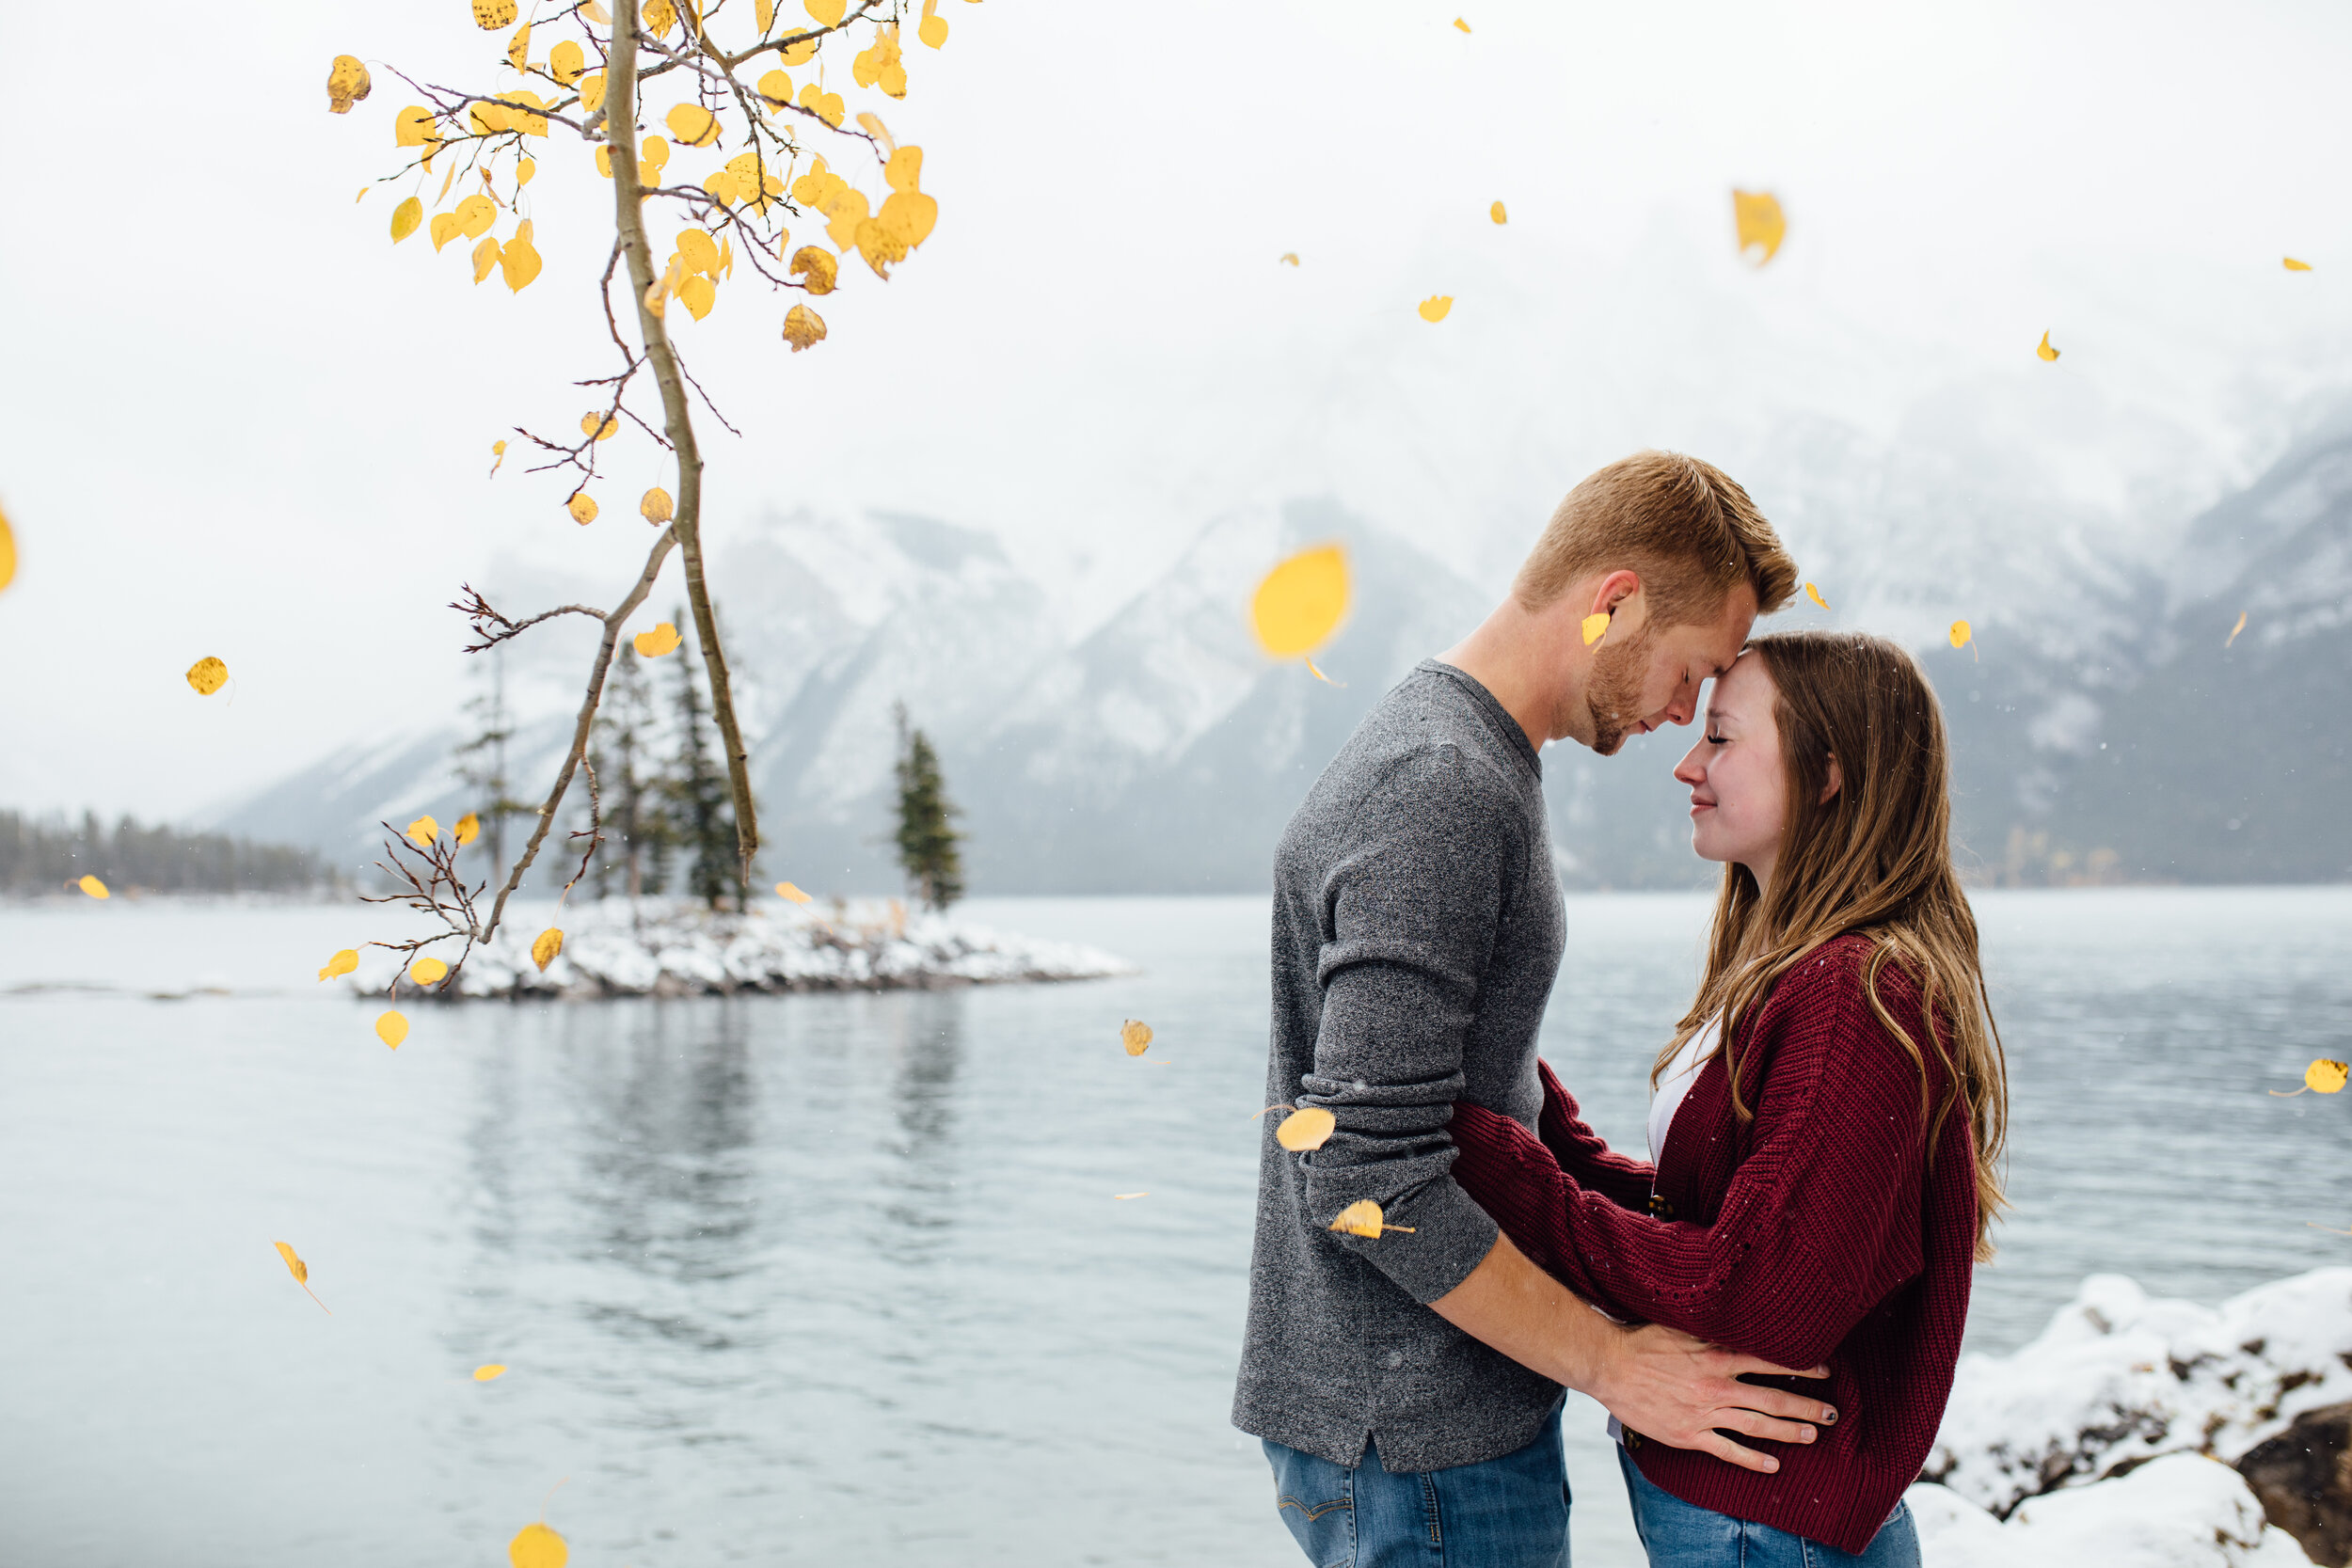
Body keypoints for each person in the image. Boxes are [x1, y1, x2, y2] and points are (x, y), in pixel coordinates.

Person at [1235, 451, 1830, 1568]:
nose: (1680, 715)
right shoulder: (1443, 785)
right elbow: (1363, 1169)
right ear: (1614, 603)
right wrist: (1614, 1364)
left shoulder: (1464, 755)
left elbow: (1461, 1085)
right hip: (1414, 1430)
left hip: (1417, 1411)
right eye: (1690, 671)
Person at [1445, 631, 2010, 1566]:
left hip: (1762, 1522)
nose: (1685, 764)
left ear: (1826, 772)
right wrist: (1519, 1107)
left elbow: (1762, 1292)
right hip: (1757, 1515)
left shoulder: (1853, 992)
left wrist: (1483, 1153)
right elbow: (1715, 1219)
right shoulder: (1800, 972)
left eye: (1719, 737)